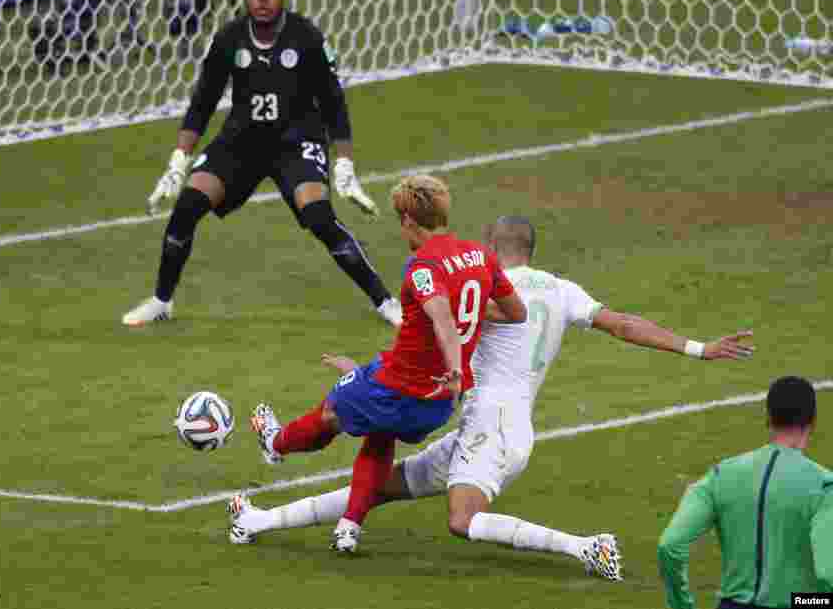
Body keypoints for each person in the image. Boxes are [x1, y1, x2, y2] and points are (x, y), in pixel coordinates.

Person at [228, 215, 755, 578]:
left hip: (491, 424)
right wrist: (697, 347)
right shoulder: (562, 289)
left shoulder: (479, 284)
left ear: (493, 246)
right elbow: (623, 324)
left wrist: (369, 376)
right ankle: (258, 521)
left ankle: (587, 548)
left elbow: (430, 338)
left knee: (463, 520)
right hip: (505, 424)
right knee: (381, 488)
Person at [245, 176, 527, 553]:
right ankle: (348, 527)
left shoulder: (422, 266)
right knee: (380, 433)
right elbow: (516, 313)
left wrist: (455, 364)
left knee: (332, 410)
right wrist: (469, 321)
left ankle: (275, 442)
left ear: (409, 220)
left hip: (398, 386)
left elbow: (441, 316)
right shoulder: (481, 255)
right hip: (437, 404)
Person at [123, 0, 401, 327]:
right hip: (243, 141)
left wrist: (344, 163)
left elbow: (333, 101)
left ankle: (385, 302)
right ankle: (162, 301)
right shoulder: (228, 39)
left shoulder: (306, 38)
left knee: (318, 216)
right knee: (188, 205)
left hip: (296, 140)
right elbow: (202, 103)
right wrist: (178, 161)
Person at [659, 376, 832, 609]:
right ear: (813, 421)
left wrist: (680, 605)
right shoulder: (823, 486)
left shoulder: (721, 475)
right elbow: (827, 572)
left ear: (768, 417)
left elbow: (670, 545)